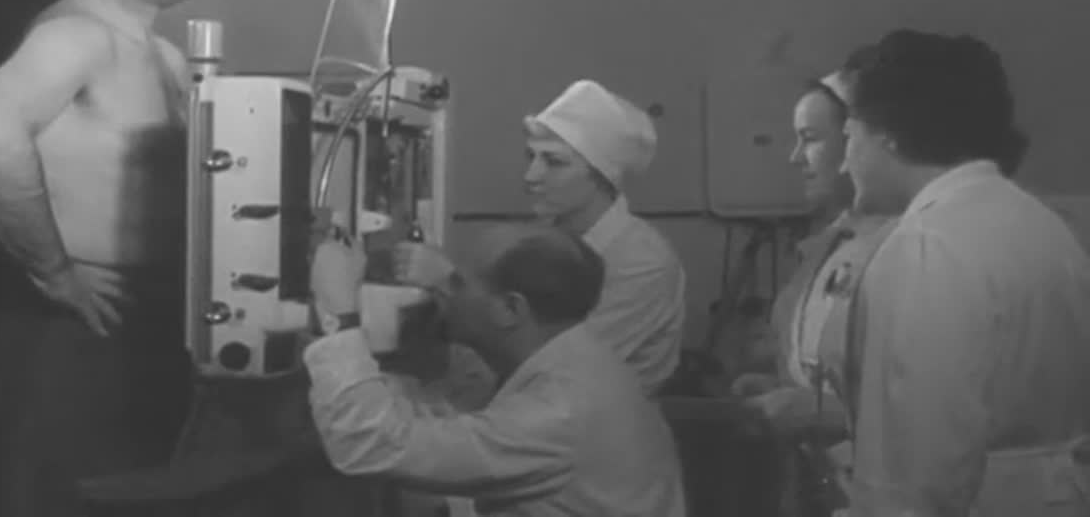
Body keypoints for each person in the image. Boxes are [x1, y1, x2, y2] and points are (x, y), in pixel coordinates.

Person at [0, 0, 202, 517]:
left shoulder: (167, 56)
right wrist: (54, 271)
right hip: (71, 328)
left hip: (144, 326)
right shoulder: (77, 35)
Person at [839, 30, 1090, 517]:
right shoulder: (1042, 224)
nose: (844, 162)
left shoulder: (926, 245)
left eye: (850, 135)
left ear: (888, 135)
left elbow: (915, 471)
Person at [305, 222, 689, 516]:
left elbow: (368, 445)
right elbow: (474, 434)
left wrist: (339, 314)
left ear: (510, 309)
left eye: (458, 283)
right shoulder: (580, 357)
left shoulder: (560, 409)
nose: (443, 291)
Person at [397, 79, 686, 401]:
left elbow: (549, 364)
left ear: (602, 176)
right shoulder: (549, 235)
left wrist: (450, 283)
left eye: (554, 162)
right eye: (531, 157)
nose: (531, 176)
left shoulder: (642, 264)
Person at [729, 72, 897, 517]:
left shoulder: (911, 247)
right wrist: (784, 387)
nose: (795, 157)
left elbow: (940, 400)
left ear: (858, 141)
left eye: (810, 139)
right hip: (823, 485)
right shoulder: (829, 245)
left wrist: (831, 414)